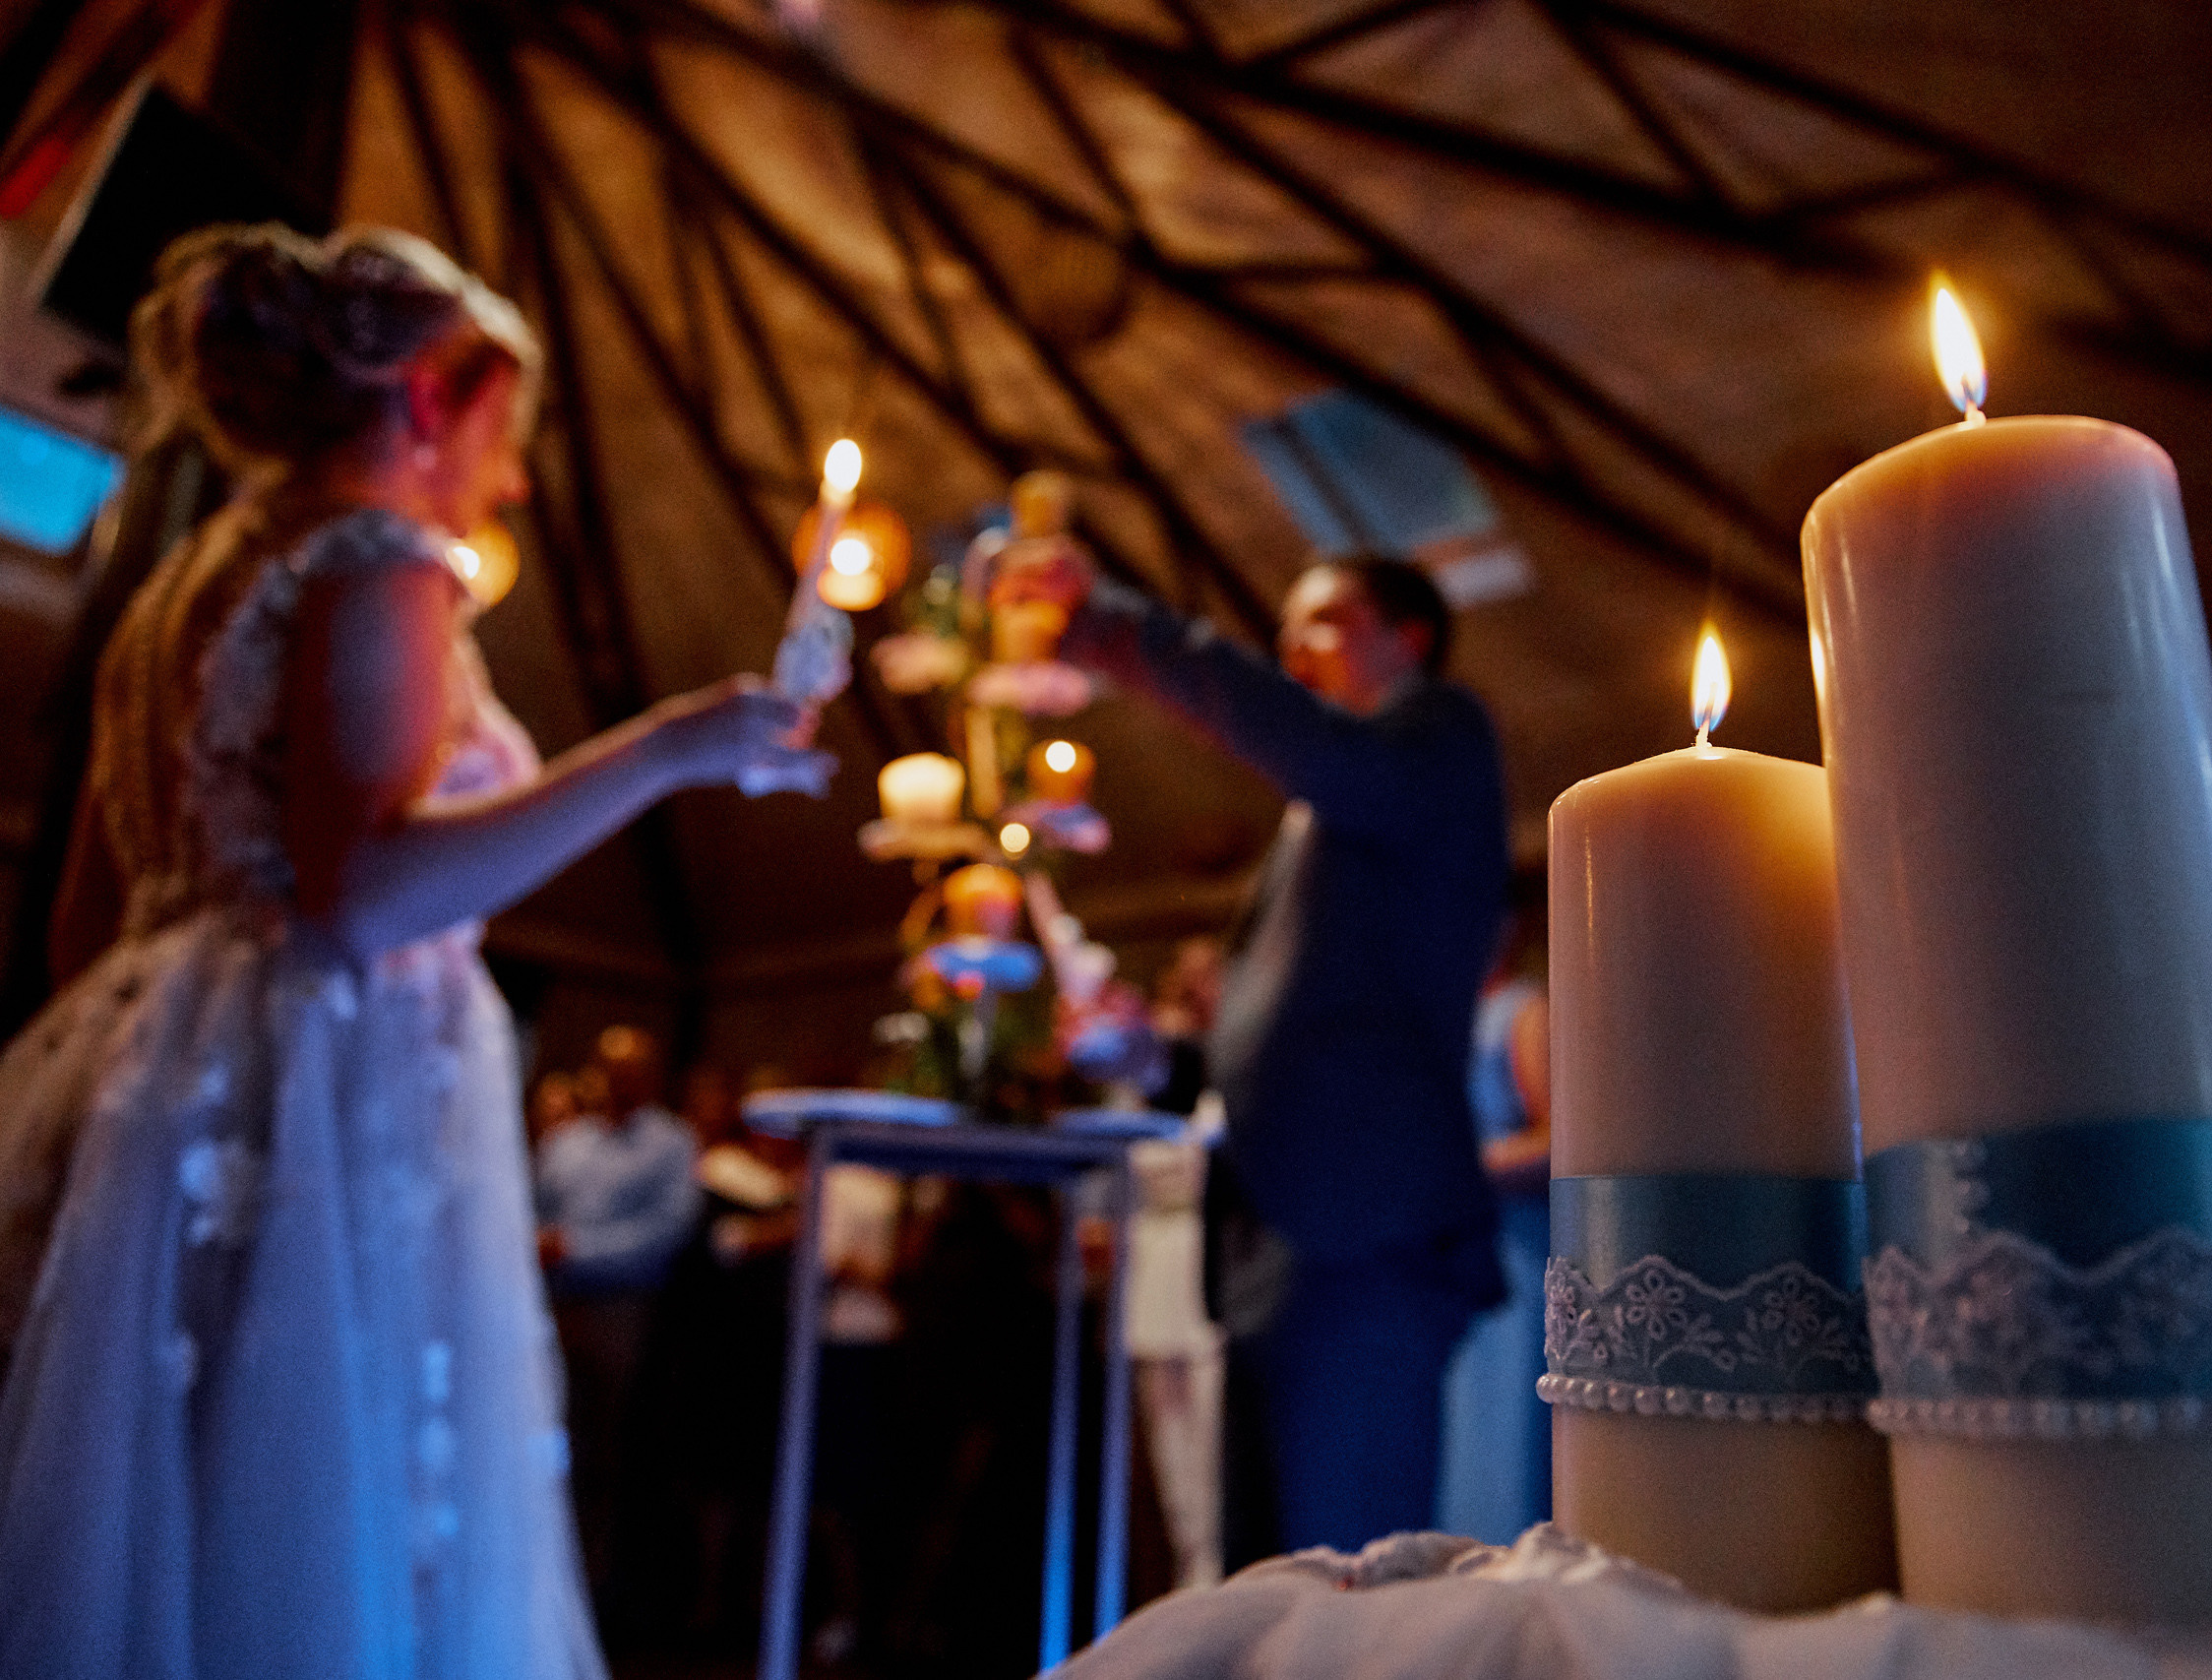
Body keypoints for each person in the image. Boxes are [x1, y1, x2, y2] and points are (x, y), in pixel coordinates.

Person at [0, 223, 831, 1678]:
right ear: (432, 398)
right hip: (315, 1110)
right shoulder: (378, 559)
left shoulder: (179, 587)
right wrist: (666, 750)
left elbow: (91, 918)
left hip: (148, 1090)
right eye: (507, 434)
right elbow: (366, 896)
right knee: (300, 1526)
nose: (512, 482)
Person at [997, 547, 1508, 1555]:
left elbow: (1303, 738)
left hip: (1362, 1235)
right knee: (1264, 1582)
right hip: (1272, 1242)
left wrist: (1111, 623)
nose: (1290, 646)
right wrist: (1154, 1058)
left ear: (1408, 638)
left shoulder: (1437, 737)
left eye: (1324, 620)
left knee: (1347, 1583)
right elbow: (1278, 1038)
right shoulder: (1325, 814)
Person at [535, 1025, 704, 1609]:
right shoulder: (567, 1142)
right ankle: (541, 1565)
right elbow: (538, 1210)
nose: (620, 1081)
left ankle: (597, 1579)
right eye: (612, 1069)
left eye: (632, 1070)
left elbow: (666, 1232)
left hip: (624, 1309)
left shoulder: (670, 1143)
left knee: (611, 1449)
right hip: (558, 1304)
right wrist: (542, 1243)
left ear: (650, 1076)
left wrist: (576, 1247)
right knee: (550, 1438)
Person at [1437, 887, 1552, 1543]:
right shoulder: (1454, 1015)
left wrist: (1463, 1163)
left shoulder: (1524, 1012)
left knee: (1511, 1429)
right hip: (1466, 1246)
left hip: (1517, 1253)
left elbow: (1562, 1136)